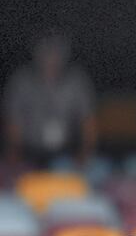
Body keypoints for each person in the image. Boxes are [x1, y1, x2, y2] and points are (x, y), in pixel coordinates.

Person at [3, 32, 97, 168]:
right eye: (46, 53)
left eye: (56, 53)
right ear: (37, 54)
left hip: (66, 151)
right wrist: (14, 153)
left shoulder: (77, 82)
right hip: (29, 151)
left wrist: (85, 153)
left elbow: (88, 121)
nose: (51, 58)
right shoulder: (21, 81)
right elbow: (13, 121)